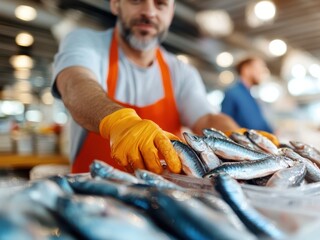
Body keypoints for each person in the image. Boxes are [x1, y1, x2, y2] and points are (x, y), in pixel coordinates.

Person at [52, 0, 276, 174]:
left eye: (160, 4)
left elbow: (206, 119)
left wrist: (234, 137)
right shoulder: (86, 43)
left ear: (171, 12)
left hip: (164, 203)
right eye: (136, 0)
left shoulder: (181, 71)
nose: (149, 12)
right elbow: (75, 83)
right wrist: (117, 122)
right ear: (115, 3)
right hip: (90, 199)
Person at [221, 57, 274, 133]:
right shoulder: (233, 93)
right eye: (259, 68)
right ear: (246, 69)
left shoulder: (250, 96)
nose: (262, 72)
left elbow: (259, 122)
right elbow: (224, 123)